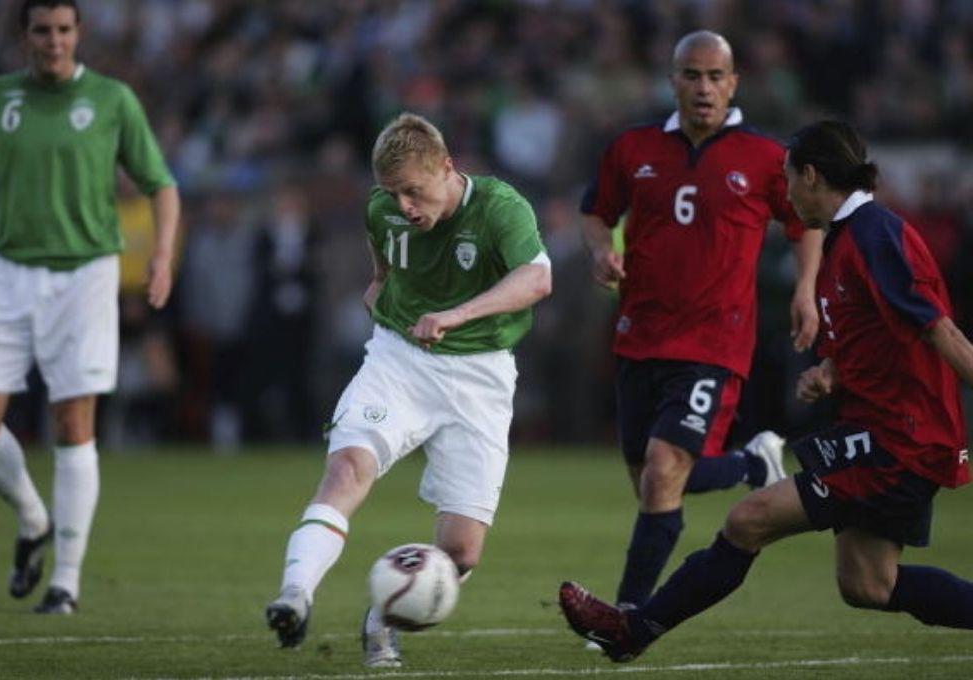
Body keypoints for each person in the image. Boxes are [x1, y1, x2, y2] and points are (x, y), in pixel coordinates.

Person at [559, 119, 973, 662]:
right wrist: (832, 370)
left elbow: (939, 328)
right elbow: (884, 335)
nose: (786, 192)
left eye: (788, 178)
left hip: (900, 439)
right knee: (868, 585)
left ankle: (632, 630)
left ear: (811, 174)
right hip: (882, 429)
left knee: (748, 519)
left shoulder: (877, 234)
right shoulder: (852, 237)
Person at [264, 112, 551, 667]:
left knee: (462, 551)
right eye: (392, 193)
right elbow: (381, 277)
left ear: (446, 166)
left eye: (414, 192)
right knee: (347, 469)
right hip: (400, 362)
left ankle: (382, 616)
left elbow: (537, 279)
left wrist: (456, 314)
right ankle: (294, 595)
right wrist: (383, 305)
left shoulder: (499, 206)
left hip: (481, 373)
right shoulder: (382, 211)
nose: (403, 207)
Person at [578, 30, 822, 613]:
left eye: (716, 76)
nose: (704, 87)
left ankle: (626, 614)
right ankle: (749, 463)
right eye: (692, 75)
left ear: (734, 83)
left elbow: (806, 221)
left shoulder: (765, 157)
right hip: (640, 335)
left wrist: (807, 288)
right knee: (649, 481)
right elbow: (596, 211)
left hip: (715, 341)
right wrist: (599, 252)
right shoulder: (633, 149)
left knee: (664, 471)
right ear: (673, 82)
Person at [0, 0, 179, 614]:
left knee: (73, 425)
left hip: (85, 276)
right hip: (10, 272)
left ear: (78, 34)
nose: (54, 41)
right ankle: (32, 519)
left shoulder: (111, 100)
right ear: (24, 35)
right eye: (42, 31)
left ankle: (66, 583)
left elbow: (161, 183)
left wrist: (160, 256)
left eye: (64, 30)